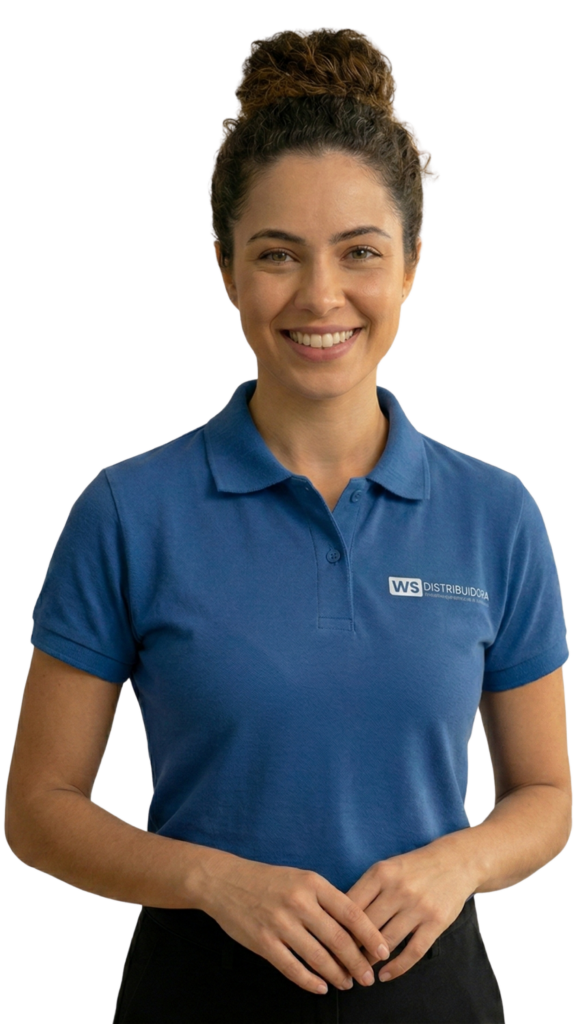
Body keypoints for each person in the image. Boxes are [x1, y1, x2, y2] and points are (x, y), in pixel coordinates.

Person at [5, 27, 571, 1024]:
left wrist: (460, 862)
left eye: (361, 253)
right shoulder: (128, 511)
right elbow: (38, 810)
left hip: (434, 1000)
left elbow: (547, 797)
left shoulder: (497, 513)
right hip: (194, 998)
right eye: (277, 255)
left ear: (412, 265)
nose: (320, 296)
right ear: (225, 268)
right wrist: (211, 877)